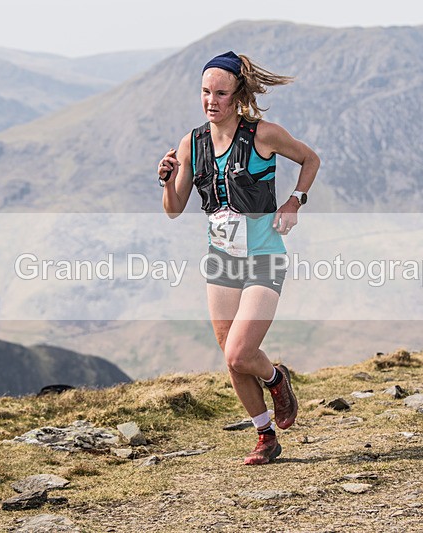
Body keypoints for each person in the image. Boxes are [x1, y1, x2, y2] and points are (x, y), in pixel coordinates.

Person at [157, 51, 319, 465]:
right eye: (205, 92)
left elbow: (310, 159)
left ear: (238, 95)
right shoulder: (192, 143)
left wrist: (295, 201)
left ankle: (276, 379)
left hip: (264, 256)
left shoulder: (264, 135)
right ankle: (265, 436)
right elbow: (173, 209)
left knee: (239, 353)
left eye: (221, 93)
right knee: (230, 356)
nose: (211, 101)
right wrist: (166, 180)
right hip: (221, 261)